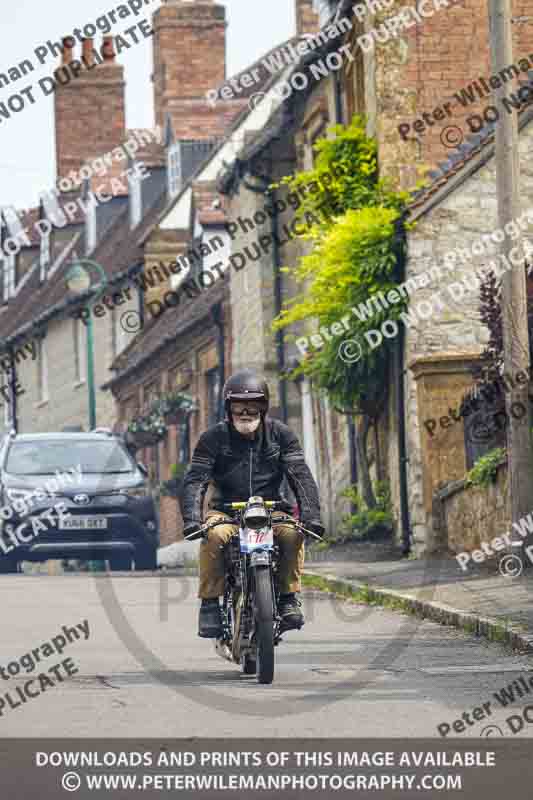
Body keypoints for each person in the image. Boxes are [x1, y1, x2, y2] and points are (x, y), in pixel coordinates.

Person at [181, 369, 324, 639]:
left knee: (293, 535)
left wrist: (311, 516)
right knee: (213, 536)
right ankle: (210, 604)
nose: (245, 412)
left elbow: (300, 475)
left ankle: (288, 597)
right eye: (238, 405)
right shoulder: (212, 438)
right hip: (225, 512)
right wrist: (192, 519)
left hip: (273, 509)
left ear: (264, 406)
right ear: (228, 407)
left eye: (253, 405)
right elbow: (196, 480)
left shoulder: (281, 435)